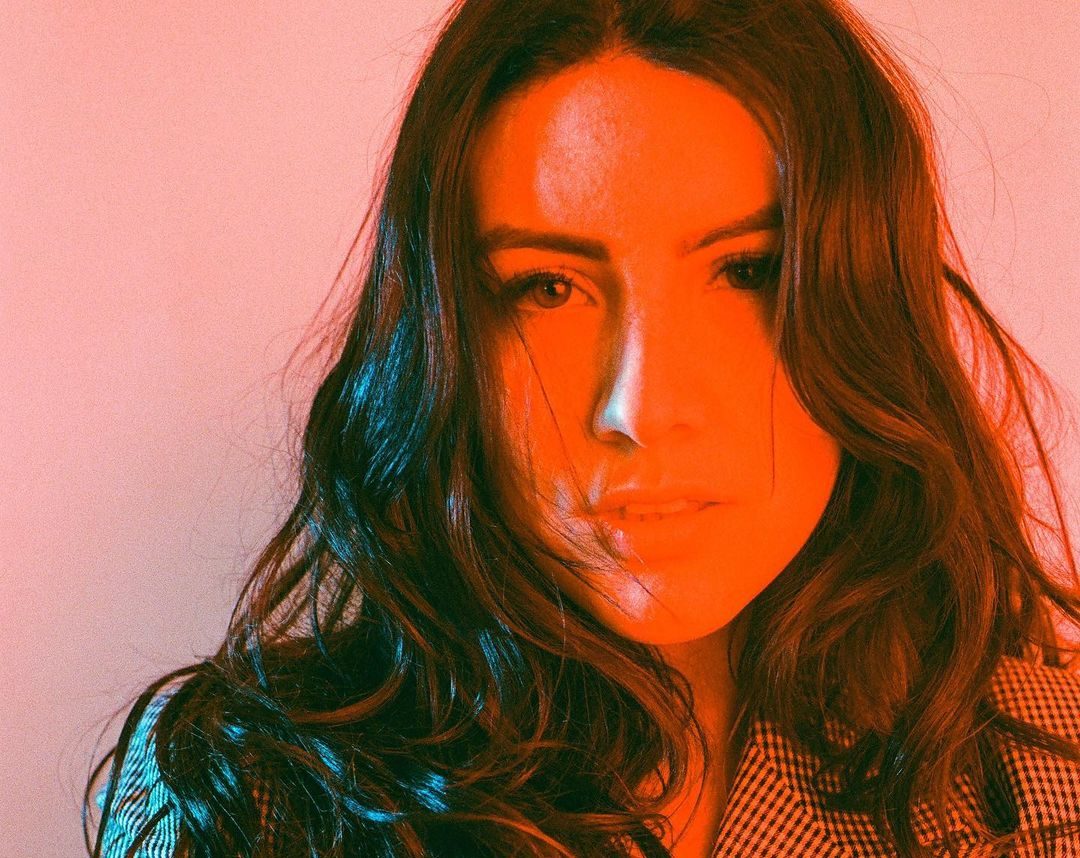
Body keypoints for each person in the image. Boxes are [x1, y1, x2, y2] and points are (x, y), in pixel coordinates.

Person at [84, 1, 1080, 856]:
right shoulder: (251, 793)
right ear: (444, 344)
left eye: (747, 272)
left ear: (867, 311)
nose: (640, 410)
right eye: (547, 289)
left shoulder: (1051, 784)